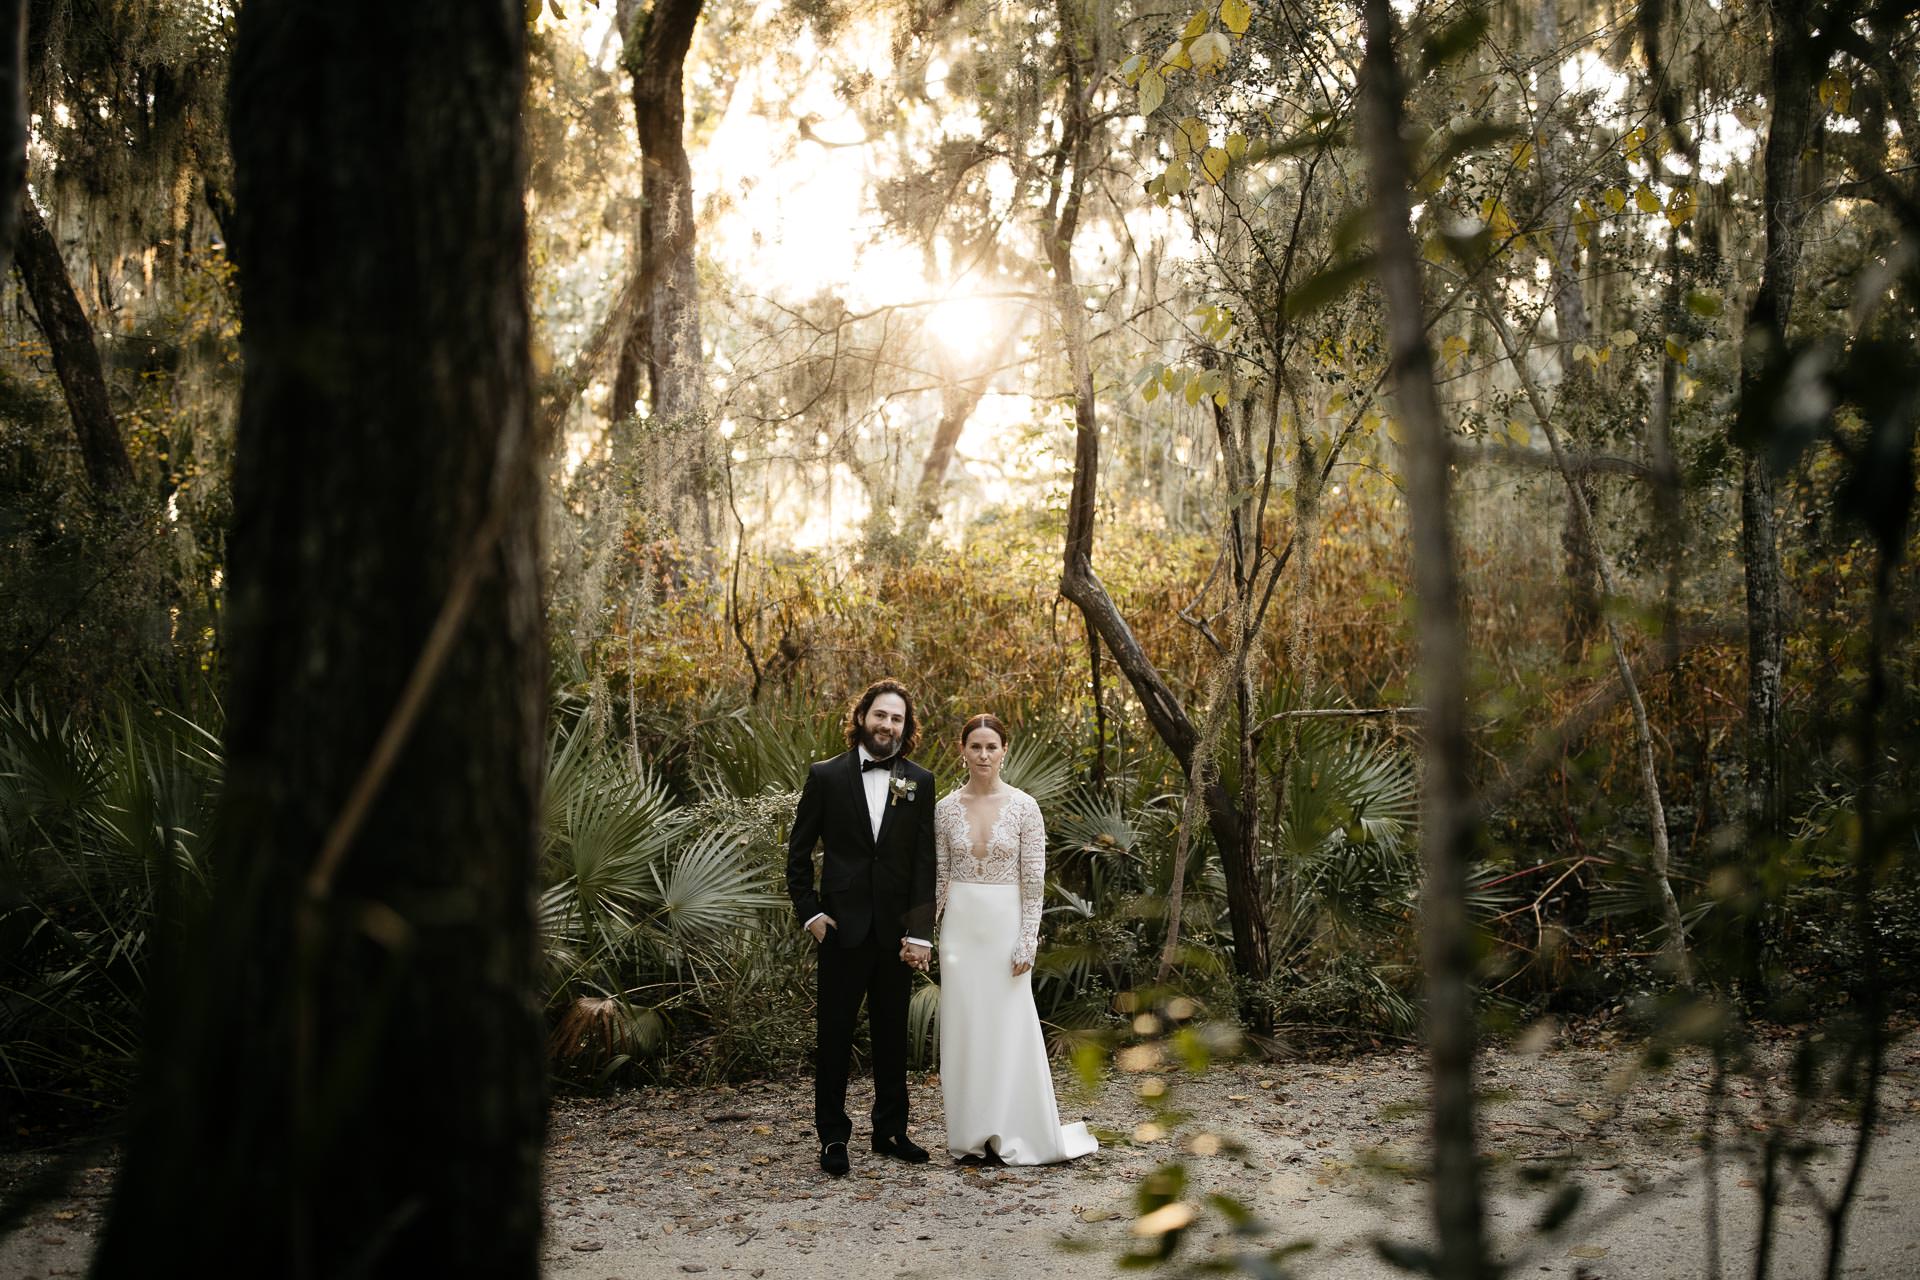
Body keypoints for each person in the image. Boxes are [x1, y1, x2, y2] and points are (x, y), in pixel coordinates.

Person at [925, 713, 1097, 1166]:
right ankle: (970, 1136)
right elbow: (940, 878)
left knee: (1008, 1027)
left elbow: (1034, 882)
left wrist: (1027, 940)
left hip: (1006, 928)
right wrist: (923, 934)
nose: (983, 755)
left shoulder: (1025, 807)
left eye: (991, 747)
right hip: (960, 931)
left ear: (1004, 751)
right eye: (975, 746)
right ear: (962, 750)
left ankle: (1015, 1128)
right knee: (965, 1029)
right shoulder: (944, 809)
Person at [786, 678, 937, 1176]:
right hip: (840, 931)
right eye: (881, 715)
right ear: (862, 717)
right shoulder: (826, 775)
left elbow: (924, 862)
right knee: (834, 1036)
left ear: (905, 727)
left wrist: (920, 932)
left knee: (892, 1038)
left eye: (897, 718)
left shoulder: (919, 780)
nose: (887, 725)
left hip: (896, 934)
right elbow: (798, 854)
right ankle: (832, 1136)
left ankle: (891, 1131)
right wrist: (811, 915)